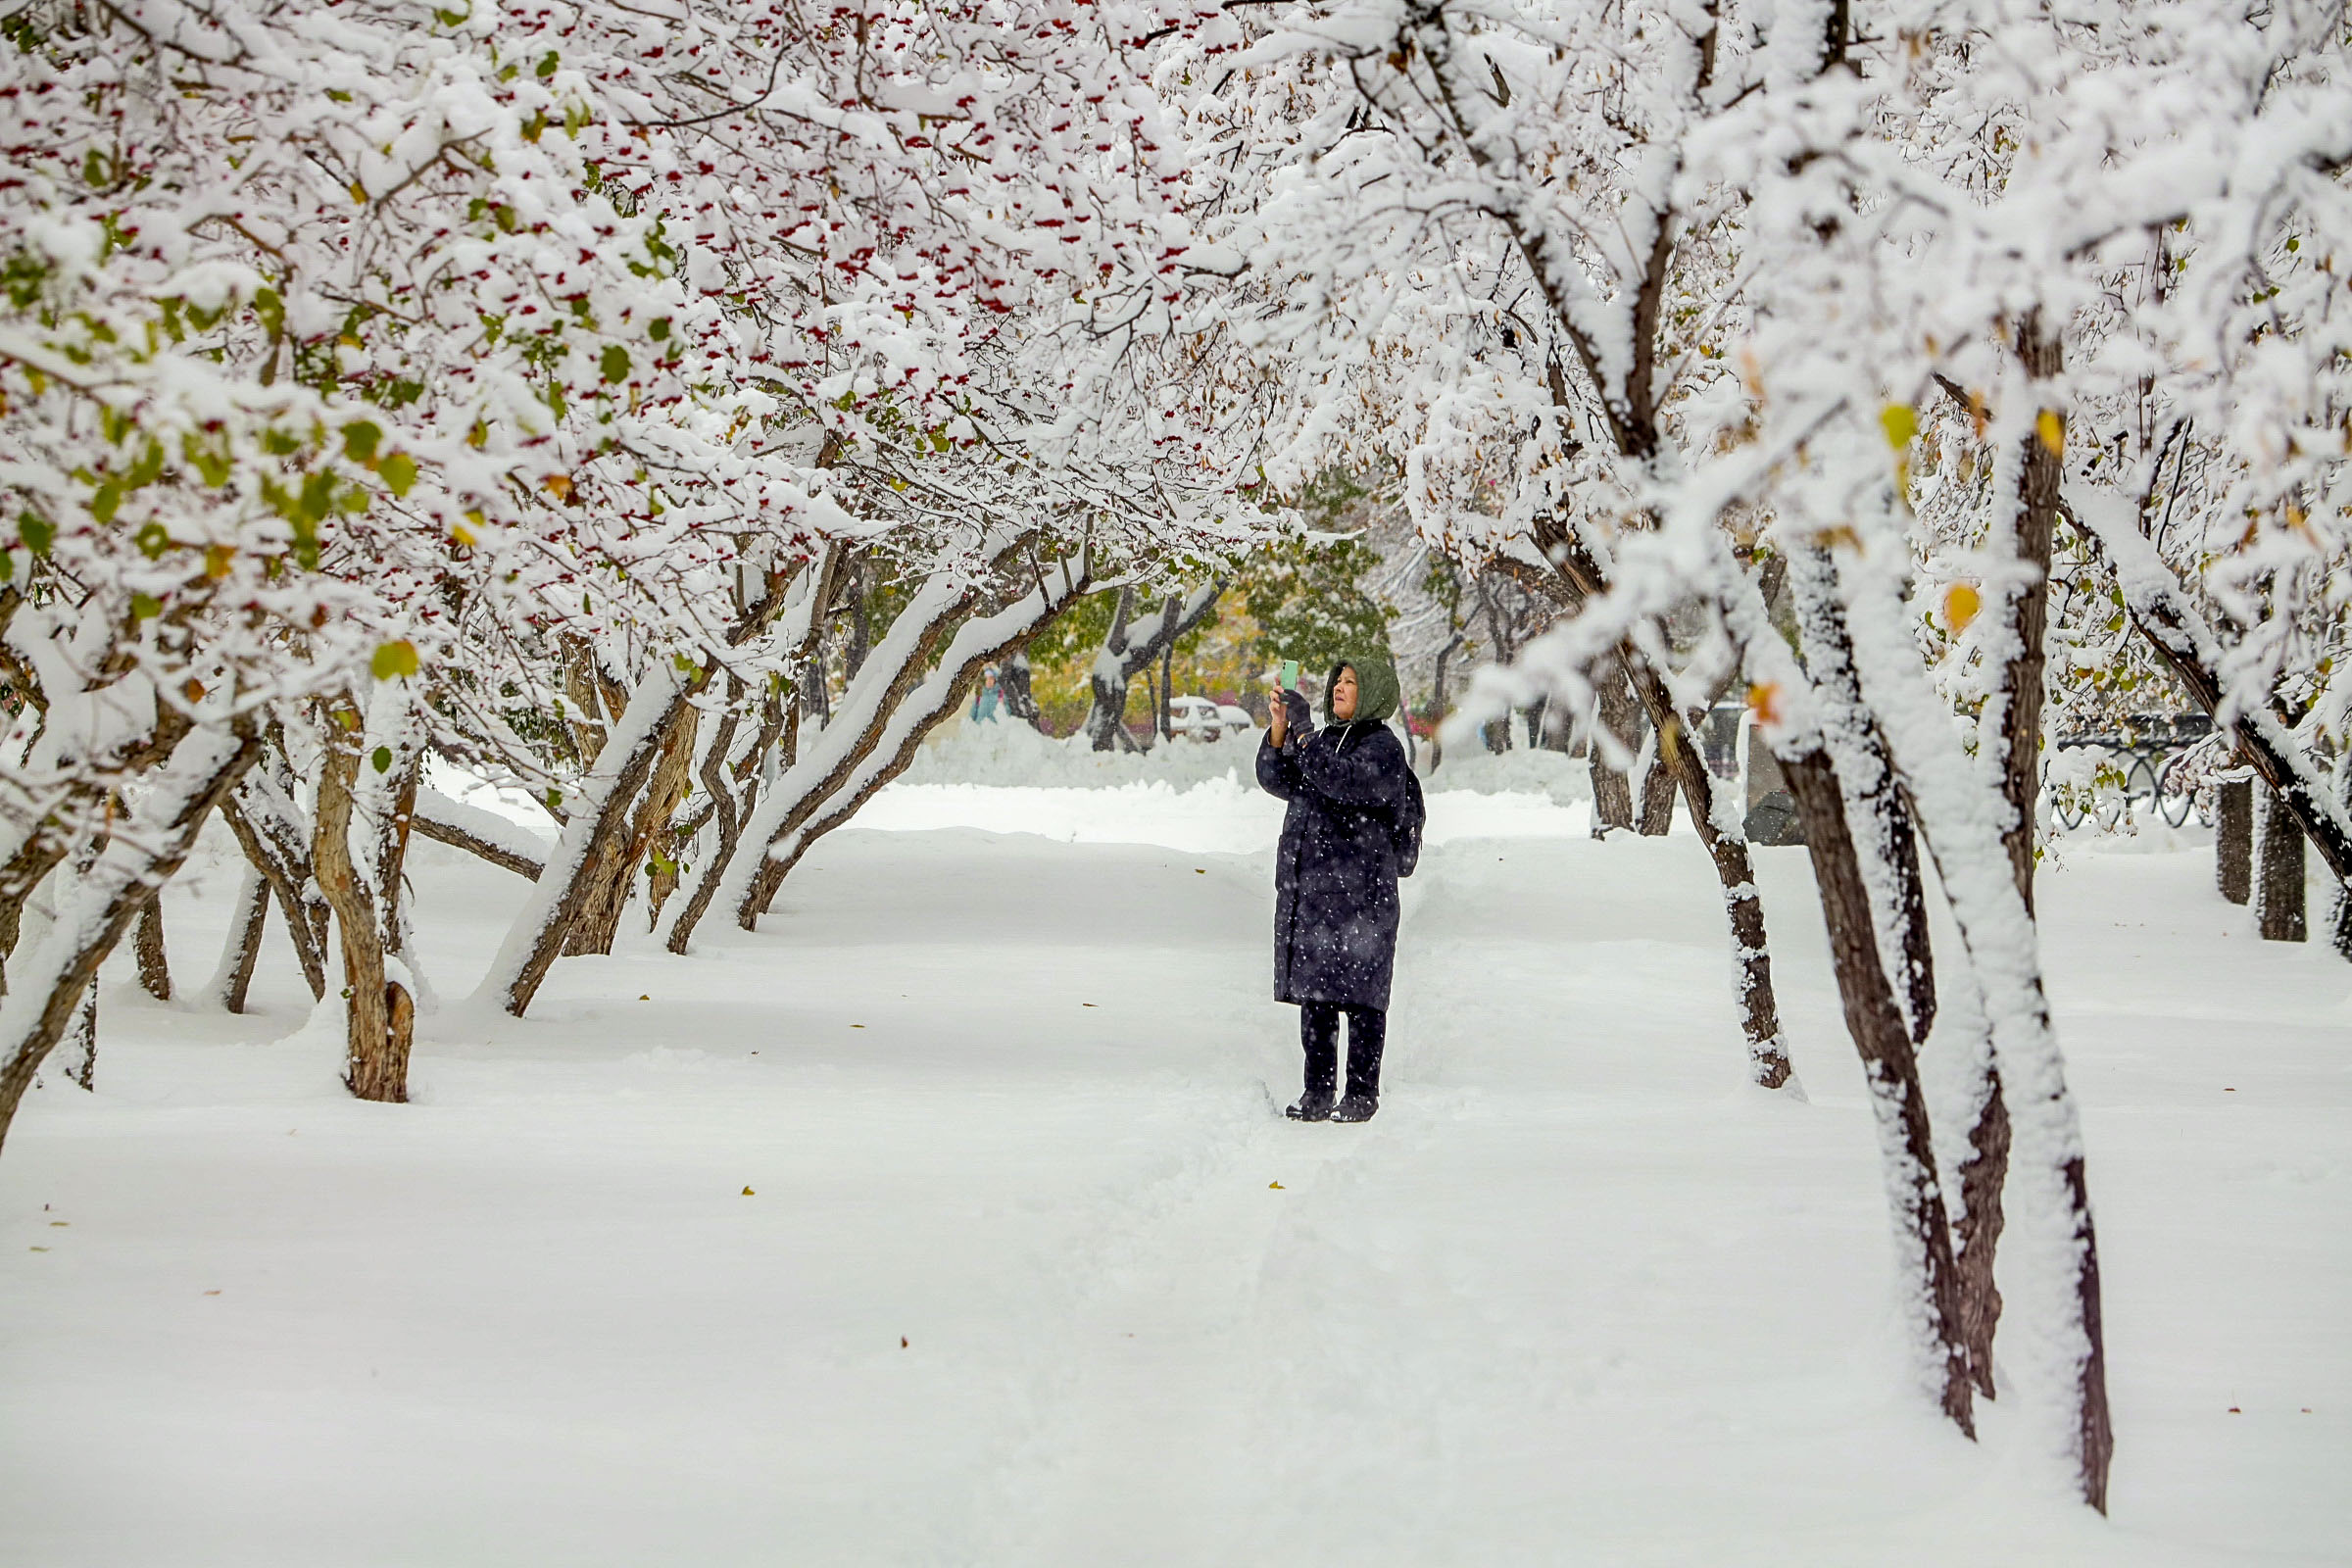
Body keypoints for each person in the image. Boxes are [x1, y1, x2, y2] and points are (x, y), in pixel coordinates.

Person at [1255, 652, 1424, 1123]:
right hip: (1317, 893)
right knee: (1317, 999)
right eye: (1337, 681)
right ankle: (1317, 1092)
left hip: (1362, 897)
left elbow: (1341, 780)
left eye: (1350, 682)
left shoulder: (1383, 749)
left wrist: (1305, 735)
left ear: (1371, 692)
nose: (1338, 689)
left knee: (1362, 999)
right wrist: (1280, 729)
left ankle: (1362, 1093)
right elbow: (1279, 777)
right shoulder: (1326, 740)